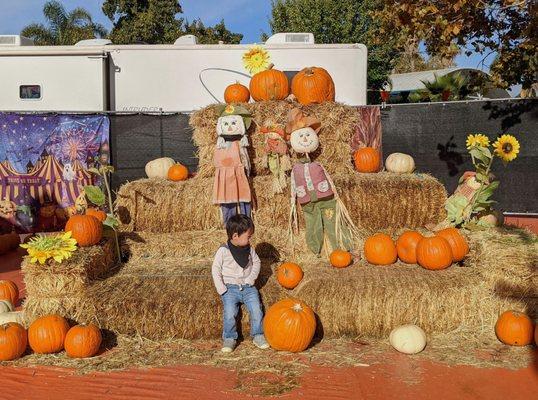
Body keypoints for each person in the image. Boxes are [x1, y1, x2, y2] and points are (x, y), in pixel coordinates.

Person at [211, 214, 269, 352]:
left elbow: (257, 263)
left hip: (248, 287)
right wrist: (222, 289)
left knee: (256, 309)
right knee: (230, 312)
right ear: (235, 236)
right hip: (230, 289)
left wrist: (251, 279)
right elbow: (215, 269)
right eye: (248, 236)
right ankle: (230, 338)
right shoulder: (223, 251)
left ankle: (258, 335)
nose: (250, 239)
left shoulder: (250, 250)